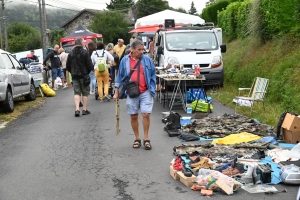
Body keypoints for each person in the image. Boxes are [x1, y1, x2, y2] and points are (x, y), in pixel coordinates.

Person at [113, 39, 156, 150]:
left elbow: (152, 74)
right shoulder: (124, 61)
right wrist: (116, 92)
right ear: (132, 49)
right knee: (133, 116)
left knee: (146, 114)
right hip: (131, 91)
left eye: (143, 49)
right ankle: (137, 138)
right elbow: (120, 77)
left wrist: (153, 86)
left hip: (145, 91)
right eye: (139, 49)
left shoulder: (147, 60)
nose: (142, 52)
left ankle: (146, 138)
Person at [66, 37, 94, 117]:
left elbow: (68, 66)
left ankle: (77, 109)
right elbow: (90, 65)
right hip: (84, 75)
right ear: (81, 43)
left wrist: (72, 72)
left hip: (75, 75)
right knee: (85, 92)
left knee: (76, 92)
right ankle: (84, 109)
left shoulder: (71, 53)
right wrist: (87, 72)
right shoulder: (85, 52)